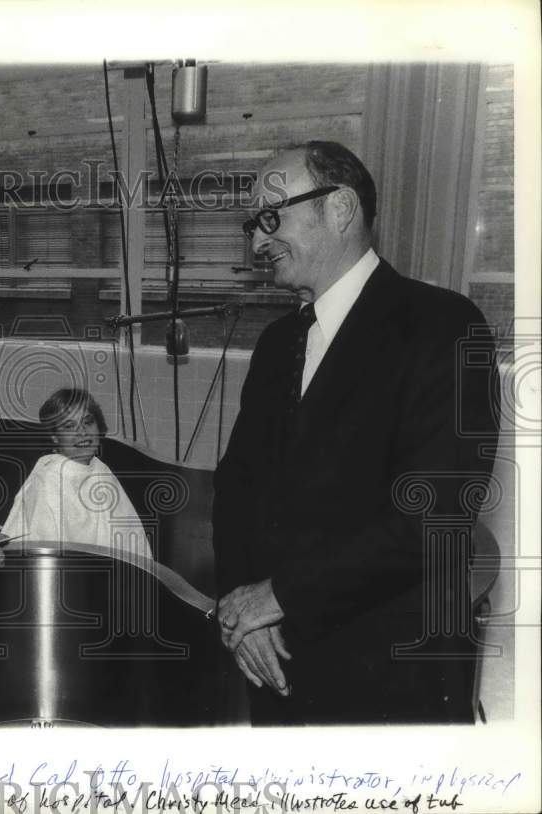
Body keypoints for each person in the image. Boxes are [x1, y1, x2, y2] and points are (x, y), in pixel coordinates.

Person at [212, 142, 498, 725]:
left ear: (340, 208)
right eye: (252, 224)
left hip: (391, 678)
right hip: (276, 666)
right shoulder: (276, 345)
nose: (257, 242)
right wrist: (242, 614)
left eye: (270, 218)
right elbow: (235, 490)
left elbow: (433, 512)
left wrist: (278, 596)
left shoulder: (443, 325)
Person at [1, 387, 152, 559]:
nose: (82, 432)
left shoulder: (101, 470)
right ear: (54, 437)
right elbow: (45, 558)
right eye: (69, 426)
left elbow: (133, 544)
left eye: (88, 422)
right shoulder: (48, 481)